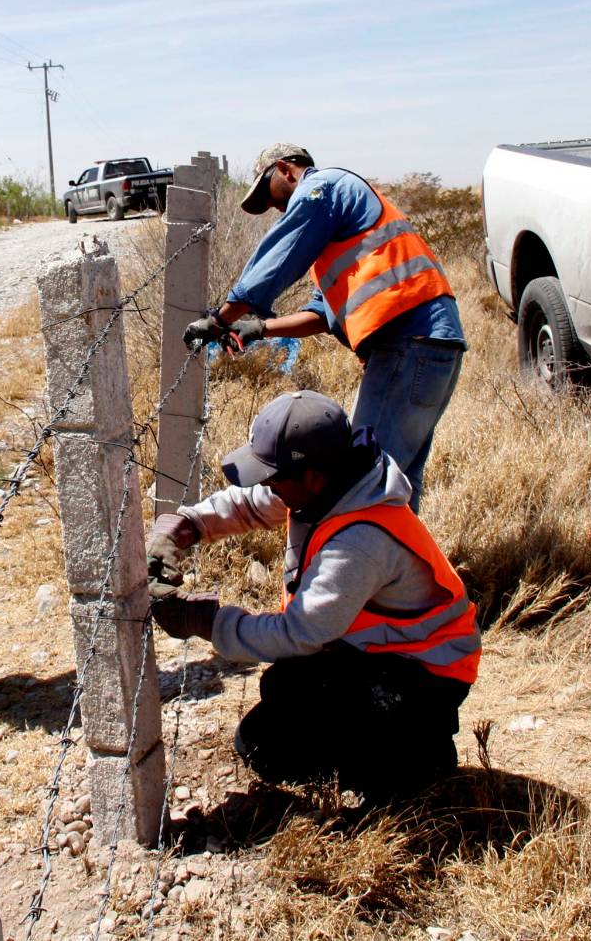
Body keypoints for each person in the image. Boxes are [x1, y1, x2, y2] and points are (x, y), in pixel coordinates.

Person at [146, 390, 480, 798]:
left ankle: (416, 756)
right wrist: (183, 526)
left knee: (270, 749)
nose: (267, 486)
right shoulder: (333, 483)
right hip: (379, 650)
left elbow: (298, 633)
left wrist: (202, 621)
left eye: (273, 477)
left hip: (426, 672)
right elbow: (249, 504)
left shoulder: (359, 541)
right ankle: (395, 742)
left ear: (313, 477)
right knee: (285, 690)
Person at [183, 144, 466, 512]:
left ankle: (368, 567)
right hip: (431, 344)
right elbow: (320, 314)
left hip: (408, 341)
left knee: (363, 481)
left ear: (285, 170)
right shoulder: (340, 234)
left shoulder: (323, 187)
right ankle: (405, 564)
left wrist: (221, 319)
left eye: (270, 196)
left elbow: (279, 258)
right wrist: (260, 328)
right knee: (396, 479)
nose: (277, 210)